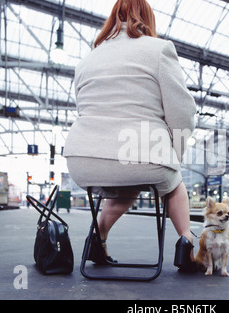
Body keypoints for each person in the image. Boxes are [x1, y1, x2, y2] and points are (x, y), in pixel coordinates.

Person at [63, 0, 197, 273]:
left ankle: (97, 240)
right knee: (173, 183)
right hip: (140, 155)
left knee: (129, 180)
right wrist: (174, 156)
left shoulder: (87, 60)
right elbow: (182, 112)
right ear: (147, 17)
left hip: (81, 158)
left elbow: (83, 107)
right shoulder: (159, 50)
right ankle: (187, 244)